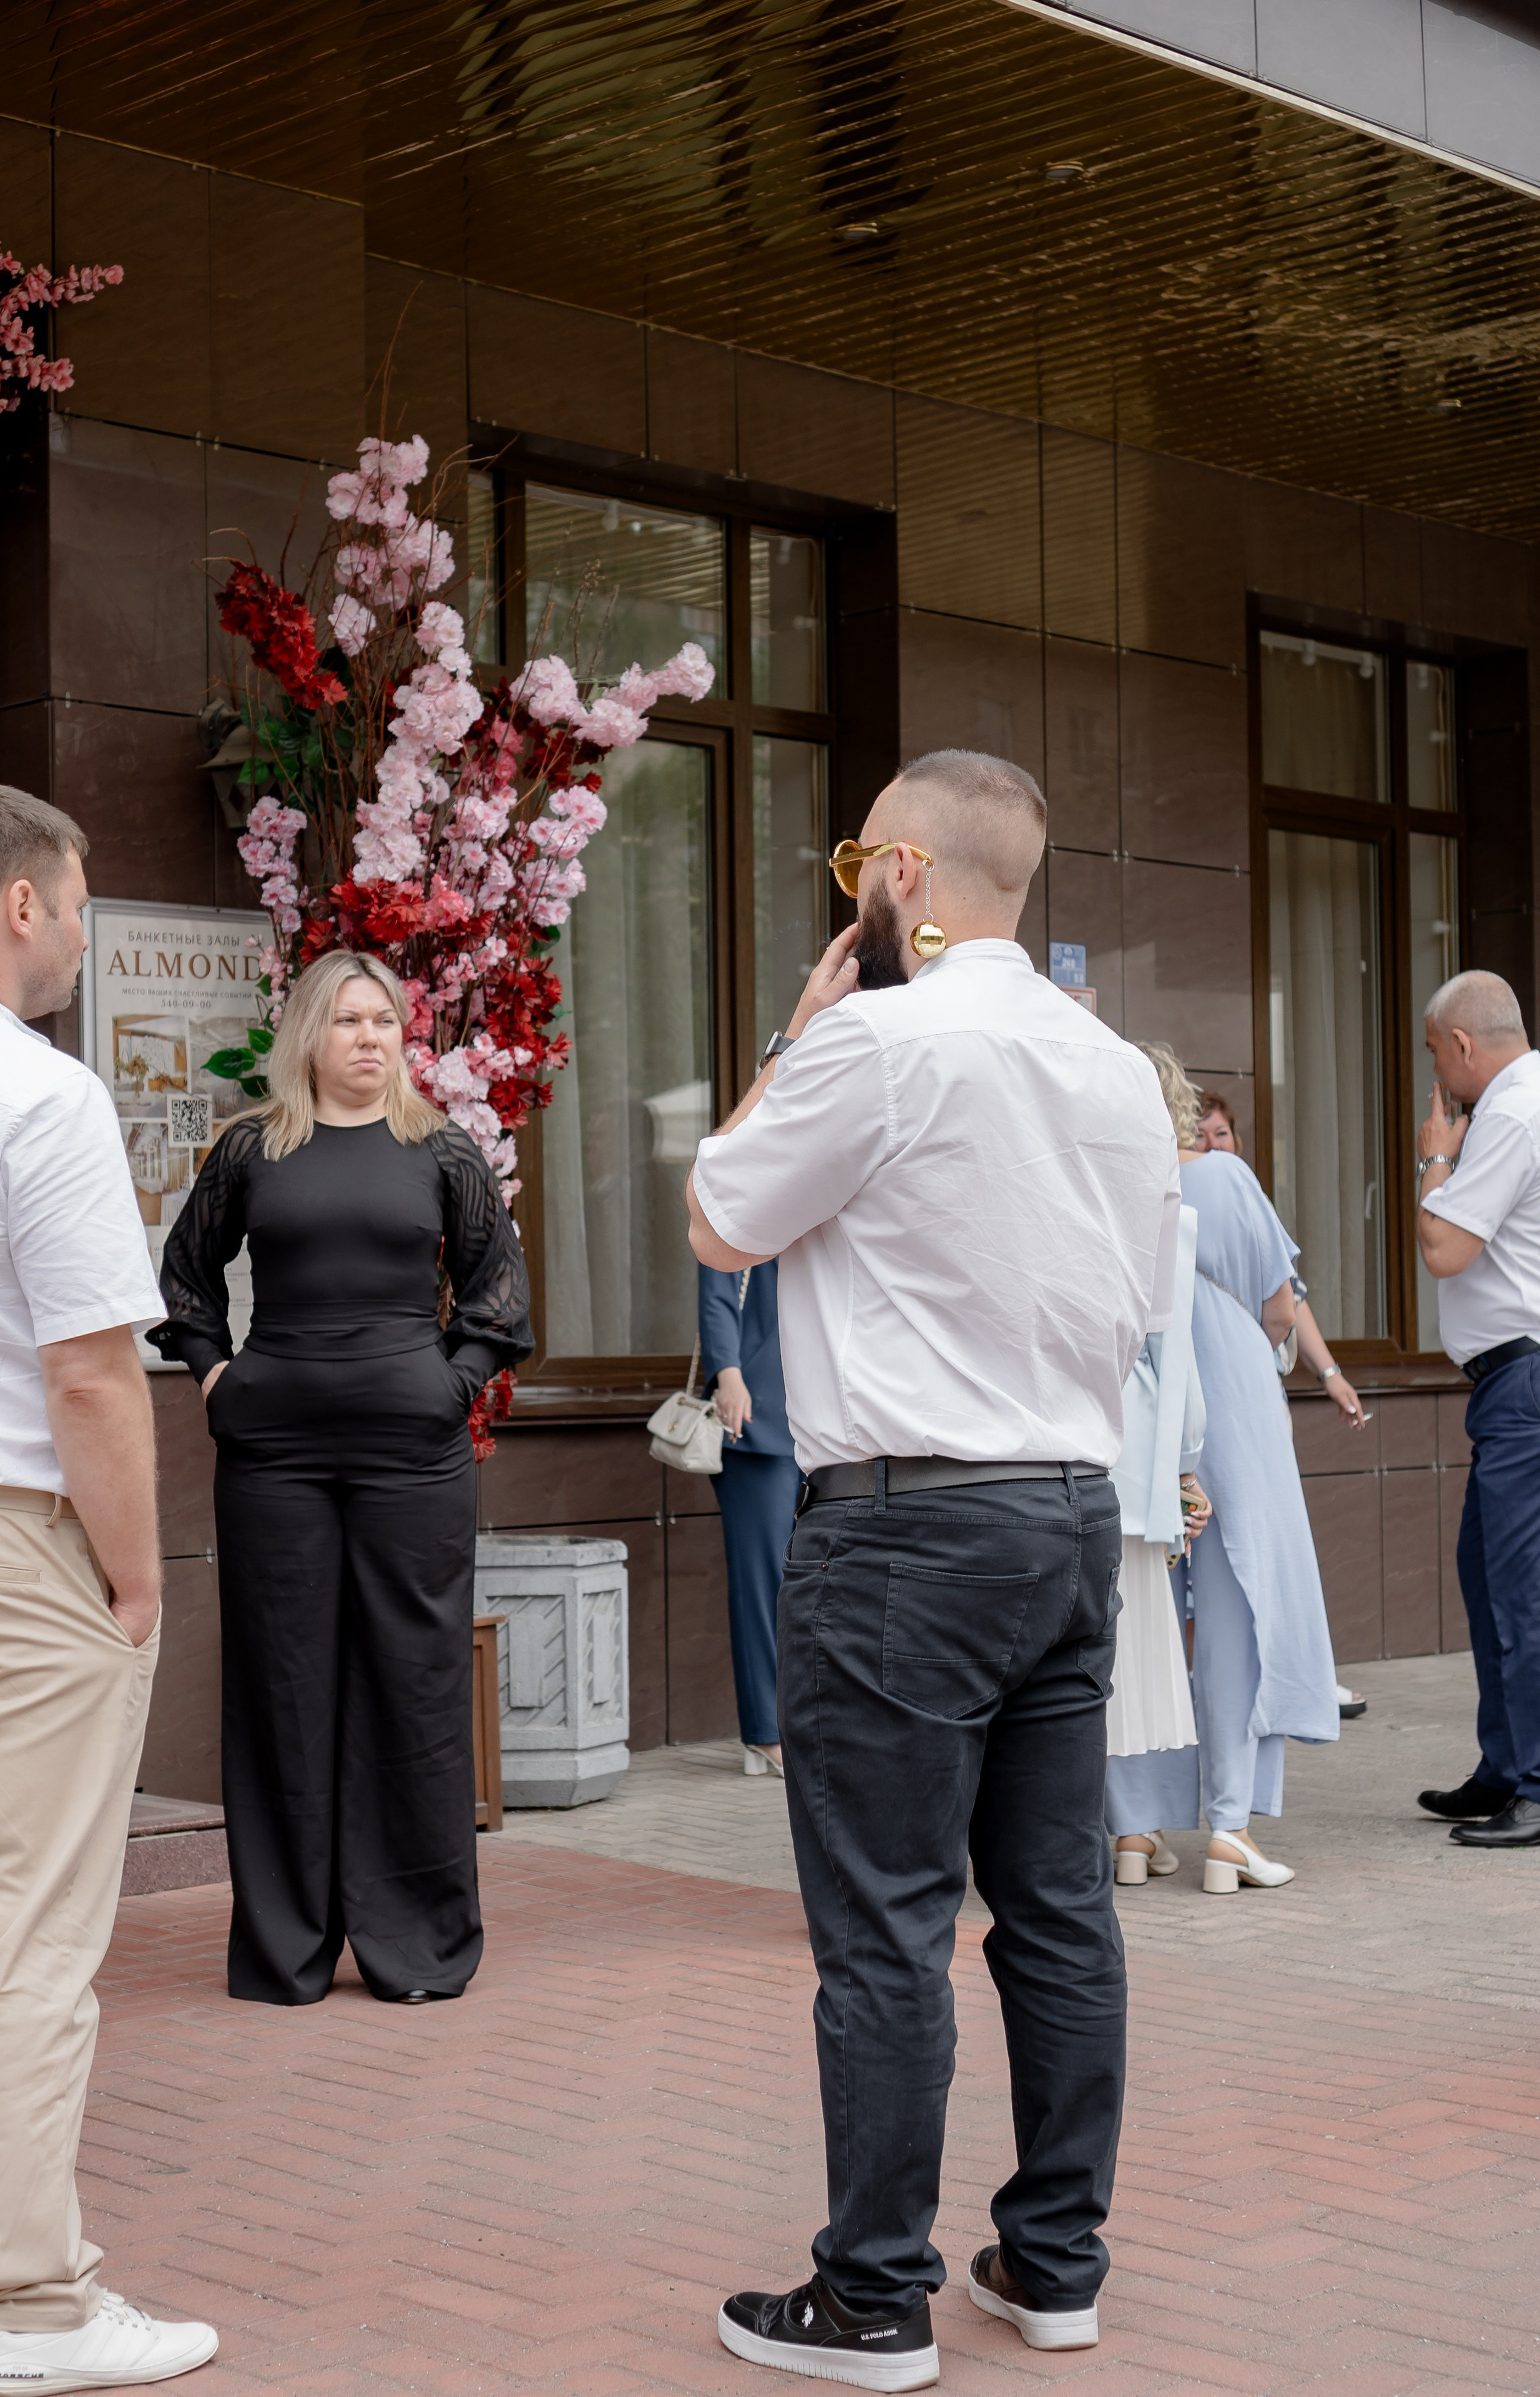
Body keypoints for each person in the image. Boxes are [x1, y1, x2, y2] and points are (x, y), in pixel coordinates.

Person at [686, 750, 1179, 2391]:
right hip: (1068, 1507)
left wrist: (801, 1044)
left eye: (853, 872)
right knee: (1057, 1910)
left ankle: (874, 2297)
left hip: (904, 1522)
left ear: (900, 875)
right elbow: (1143, 1298)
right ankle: (1054, 2265)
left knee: (887, 1925)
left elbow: (721, 1215)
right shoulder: (1113, 1069)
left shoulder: (883, 1040)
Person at [0, 782, 217, 2391]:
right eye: (83, 891)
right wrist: (133, 1579)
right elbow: (96, 1375)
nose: (88, 921)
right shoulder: (33, 1093)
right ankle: (38, 2305)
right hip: (0, 1534)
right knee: (29, 1931)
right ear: (24, 905)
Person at [151, 948, 532, 2004]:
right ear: (309, 1035)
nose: (371, 1039)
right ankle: (288, 1948)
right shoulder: (251, 1150)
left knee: (414, 1684)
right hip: (272, 1457)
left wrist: (447, 1387)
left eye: (386, 1022)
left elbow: (500, 1299)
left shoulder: (440, 1152)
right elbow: (186, 1277)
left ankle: (417, 1943)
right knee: (284, 1685)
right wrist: (215, 1376)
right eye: (349, 1020)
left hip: (413, 1460)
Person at [1178, 1100, 1340, 1893]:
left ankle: (1131, 1832)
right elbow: (1282, 1305)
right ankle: (1229, 1828)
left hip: (1145, 1413)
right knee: (1240, 1609)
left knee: (1144, 1621)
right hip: (1232, 1406)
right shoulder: (1221, 1179)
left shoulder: (1120, 1182)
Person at [1414, 971, 1540, 1848]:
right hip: (1511, 1386)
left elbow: (1447, 1247)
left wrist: (1434, 1155)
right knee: (1488, 1578)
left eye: (1434, 1055)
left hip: (1522, 1384)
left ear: (1461, 1045)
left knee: (1518, 1591)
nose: (1439, 1080)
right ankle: (1505, 1767)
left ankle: (1531, 1781)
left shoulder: (1509, 1111)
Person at [1197, 1090, 1368, 1720]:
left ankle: (1300, 1678)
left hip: (1253, 1401)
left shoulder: (1246, 1205)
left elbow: (1289, 1301)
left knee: (1267, 1549)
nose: (1214, 1146)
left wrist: (1330, 1373)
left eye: (1222, 1134)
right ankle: (1225, 1692)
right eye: (1201, 1136)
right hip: (1206, 1403)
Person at [1107, 1046, 1211, 1883]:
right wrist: (1185, 1467)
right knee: (1135, 1644)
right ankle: (1134, 1834)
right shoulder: (1163, 1212)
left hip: (1054, 1446)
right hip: (1137, 1454)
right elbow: (1174, 1358)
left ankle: (1083, 1829)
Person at [697, 1261, 802, 1775]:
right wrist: (728, 1375)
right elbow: (717, 1289)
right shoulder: (744, 1186)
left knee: (823, 1586)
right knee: (764, 1584)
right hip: (756, 1417)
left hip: (827, 1423)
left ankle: (809, 1725)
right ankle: (766, 1732)